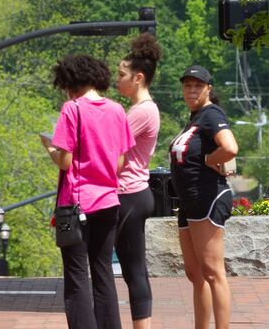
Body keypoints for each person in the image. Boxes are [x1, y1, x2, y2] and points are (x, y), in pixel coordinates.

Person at [40, 55, 134, 329]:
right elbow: (120, 162)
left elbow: (66, 161)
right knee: (103, 272)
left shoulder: (72, 109)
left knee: (78, 276)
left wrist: (49, 148)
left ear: (71, 82)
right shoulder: (117, 110)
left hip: (77, 205)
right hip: (108, 202)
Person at [170, 65, 238, 329]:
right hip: (189, 201)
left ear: (209, 88)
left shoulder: (211, 115)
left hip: (207, 197)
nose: (192, 90)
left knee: (212, 272)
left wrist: (211, 159)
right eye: (187, 85)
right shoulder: (195, 118)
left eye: (198, 85)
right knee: (195, 273)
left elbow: (230, 147)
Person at [114, 33, 162, 329]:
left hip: (130, 193)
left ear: (138, 78)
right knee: (133, 269)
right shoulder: (139, 110)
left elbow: (114, 152)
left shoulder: (141, 112)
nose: (116, 80)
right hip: (132, 193)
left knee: (134, 269)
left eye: (121, 74)